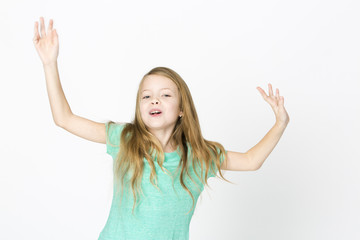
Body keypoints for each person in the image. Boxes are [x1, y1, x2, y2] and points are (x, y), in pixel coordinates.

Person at [33, 17, 290, 240]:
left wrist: (280, 124)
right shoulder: (124, 138)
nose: (154, 100)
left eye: (165, 95)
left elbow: (251, 160)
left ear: (181, 109)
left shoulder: (199, 156)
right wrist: (49, 64)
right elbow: (64, 118)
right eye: (146, 96)